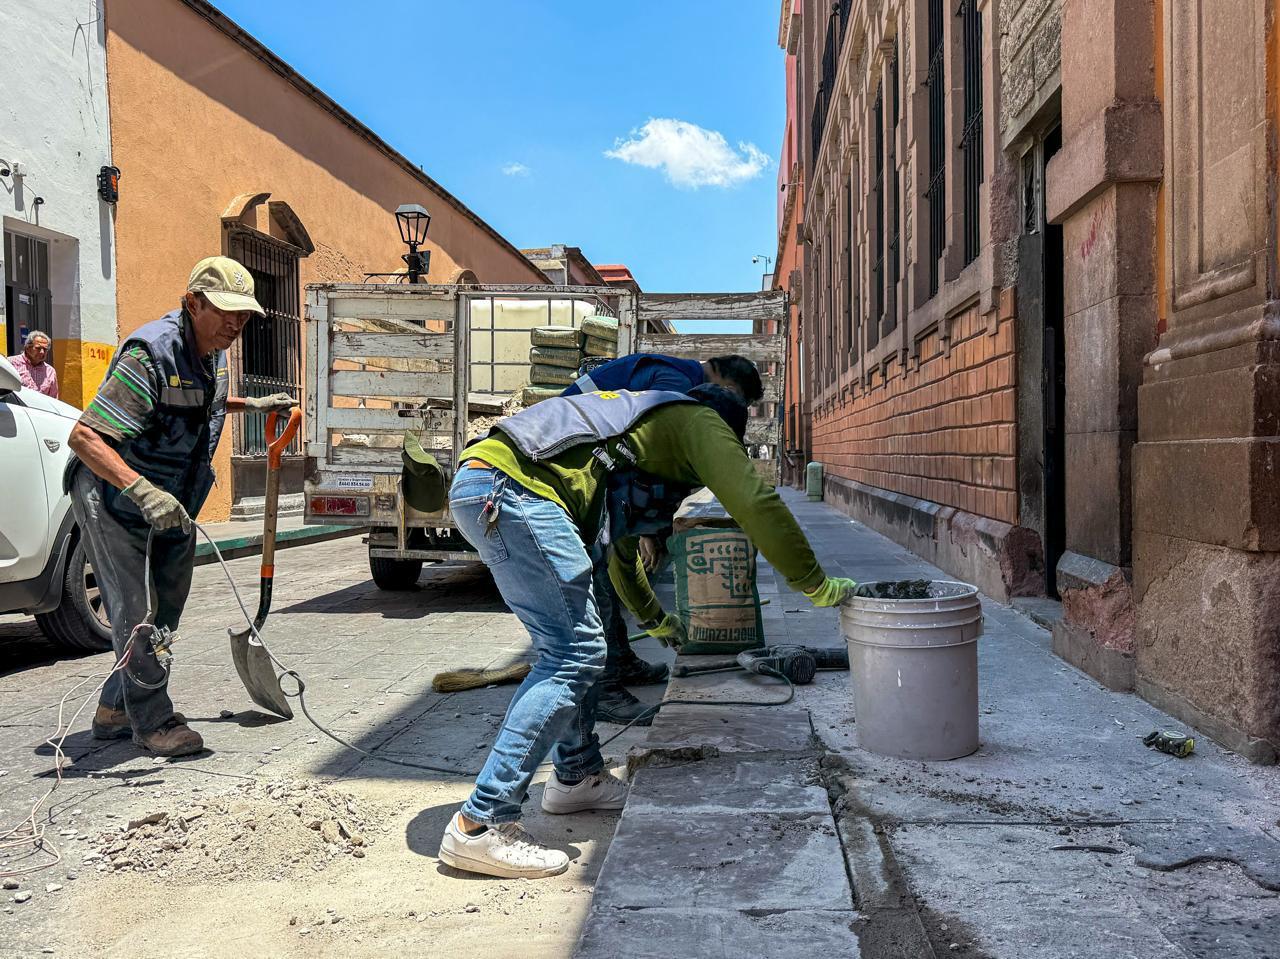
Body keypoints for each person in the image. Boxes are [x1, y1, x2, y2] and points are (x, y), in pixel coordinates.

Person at [438, 385, 856, 879]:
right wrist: (814, 583)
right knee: (572, 654)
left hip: (497, 484)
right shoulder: (698, 419)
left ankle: (576, 777)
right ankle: (480, 823)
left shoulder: (632, 438)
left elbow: (619, 555)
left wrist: (658, 621)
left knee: (579, 644)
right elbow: (755, 501)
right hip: (512, 490)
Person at [65, 257, 298, 758]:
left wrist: (249, 405)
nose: (236, 323)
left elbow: (192, 401)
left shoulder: (213, 354)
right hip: (113, 496)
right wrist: (142, 491)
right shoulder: (150, 354)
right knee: (135, 610)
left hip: (175, 497)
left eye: (243, 315)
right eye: (226, 312)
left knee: (169, 604)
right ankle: (152, 722)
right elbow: (84, 436)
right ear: (193, 303)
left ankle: (115, 709)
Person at [559, 353, 765, 726]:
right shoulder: (676, 387)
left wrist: (645, 529)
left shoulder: (675, 382)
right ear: (728, 385)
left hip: (592, 469)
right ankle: (603, 690)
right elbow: (648, 459)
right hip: (569, 472)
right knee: (596, 578)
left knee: (609, 567)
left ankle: (620, 662)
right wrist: (646, 529)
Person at [7, 330, 59, 398]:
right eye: (38, 348)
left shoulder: (50, 371)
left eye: (45, 349)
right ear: (27, 348)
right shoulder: (11, 363)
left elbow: (53, 398)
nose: (42, 352)